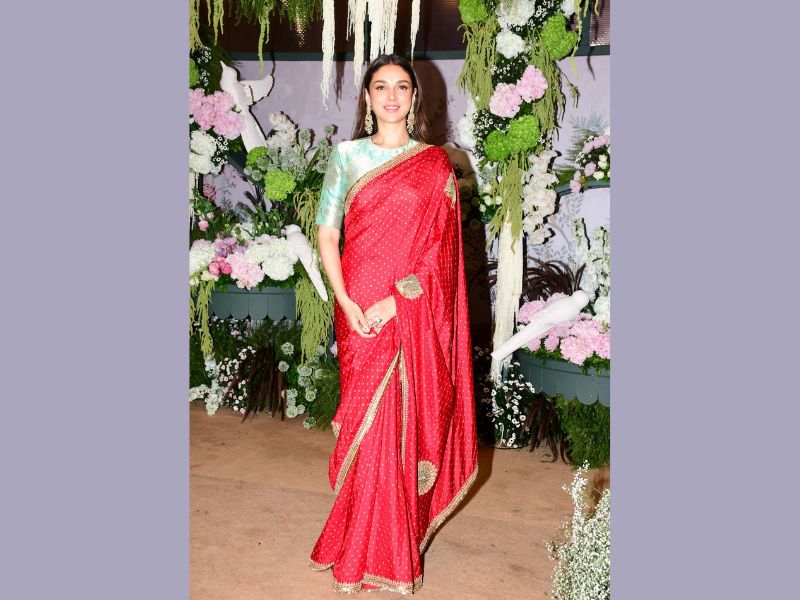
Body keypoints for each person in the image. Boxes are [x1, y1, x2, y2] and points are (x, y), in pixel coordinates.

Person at [308, 54, 478, 595]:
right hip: (356, 302)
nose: (390, 96)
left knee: (397, 423)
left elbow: (441, 253)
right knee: (365, 421)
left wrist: (396, 302)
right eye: (380, 86)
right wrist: (344, 300)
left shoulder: (435, 164)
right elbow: (327, 233)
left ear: (413, 97)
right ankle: (357, 537)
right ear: (366, 97)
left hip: (405, 307)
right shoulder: (346, 156)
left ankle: (386, 550)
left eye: (401, 87)